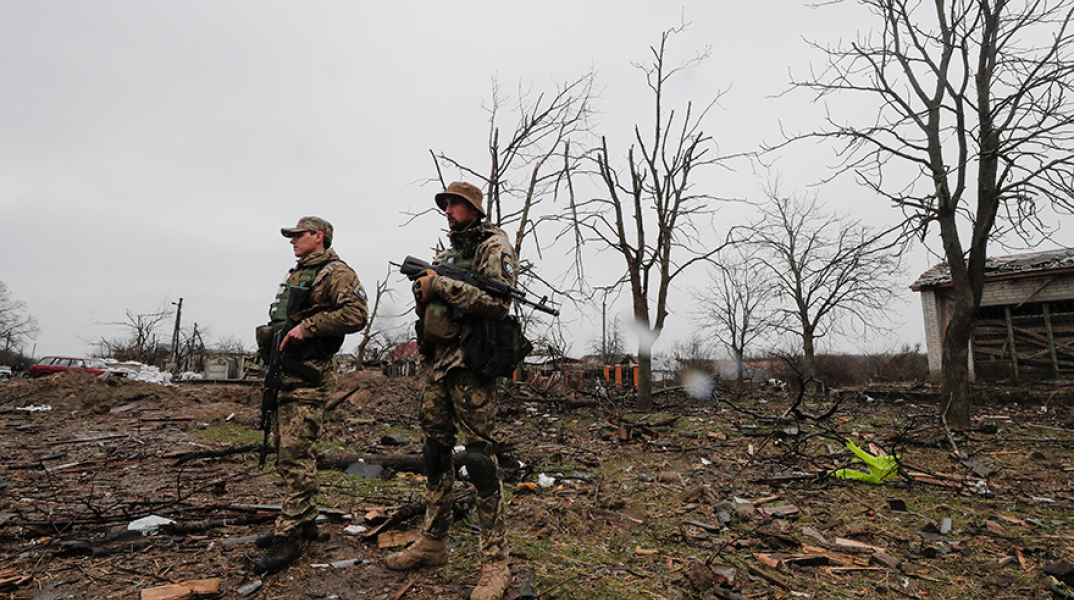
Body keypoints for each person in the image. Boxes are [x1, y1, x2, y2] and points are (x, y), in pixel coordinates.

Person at [385, 182, 515, 600]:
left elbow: (498, 303)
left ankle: (496, 564)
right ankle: (433, 542)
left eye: (455, 204)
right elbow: (432, 300)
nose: (448, 210)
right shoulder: (444, 254)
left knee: (478, 458)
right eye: (445, 205)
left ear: (474, 208)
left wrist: (441, 286)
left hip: (472, 364)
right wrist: (424, 290)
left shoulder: (494, 245)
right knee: (434, 451)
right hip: (437, 362)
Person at [253, 216, 368, 574]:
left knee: (296, 456)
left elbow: (356, 313)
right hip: (286, 372)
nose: (291, 241)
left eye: (297, 235)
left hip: (308, 376)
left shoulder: (336, 272)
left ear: (318, 237)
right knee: (290, 451)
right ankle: (304, 522)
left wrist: (309, 327)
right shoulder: (299, 272)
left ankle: (289, 534)